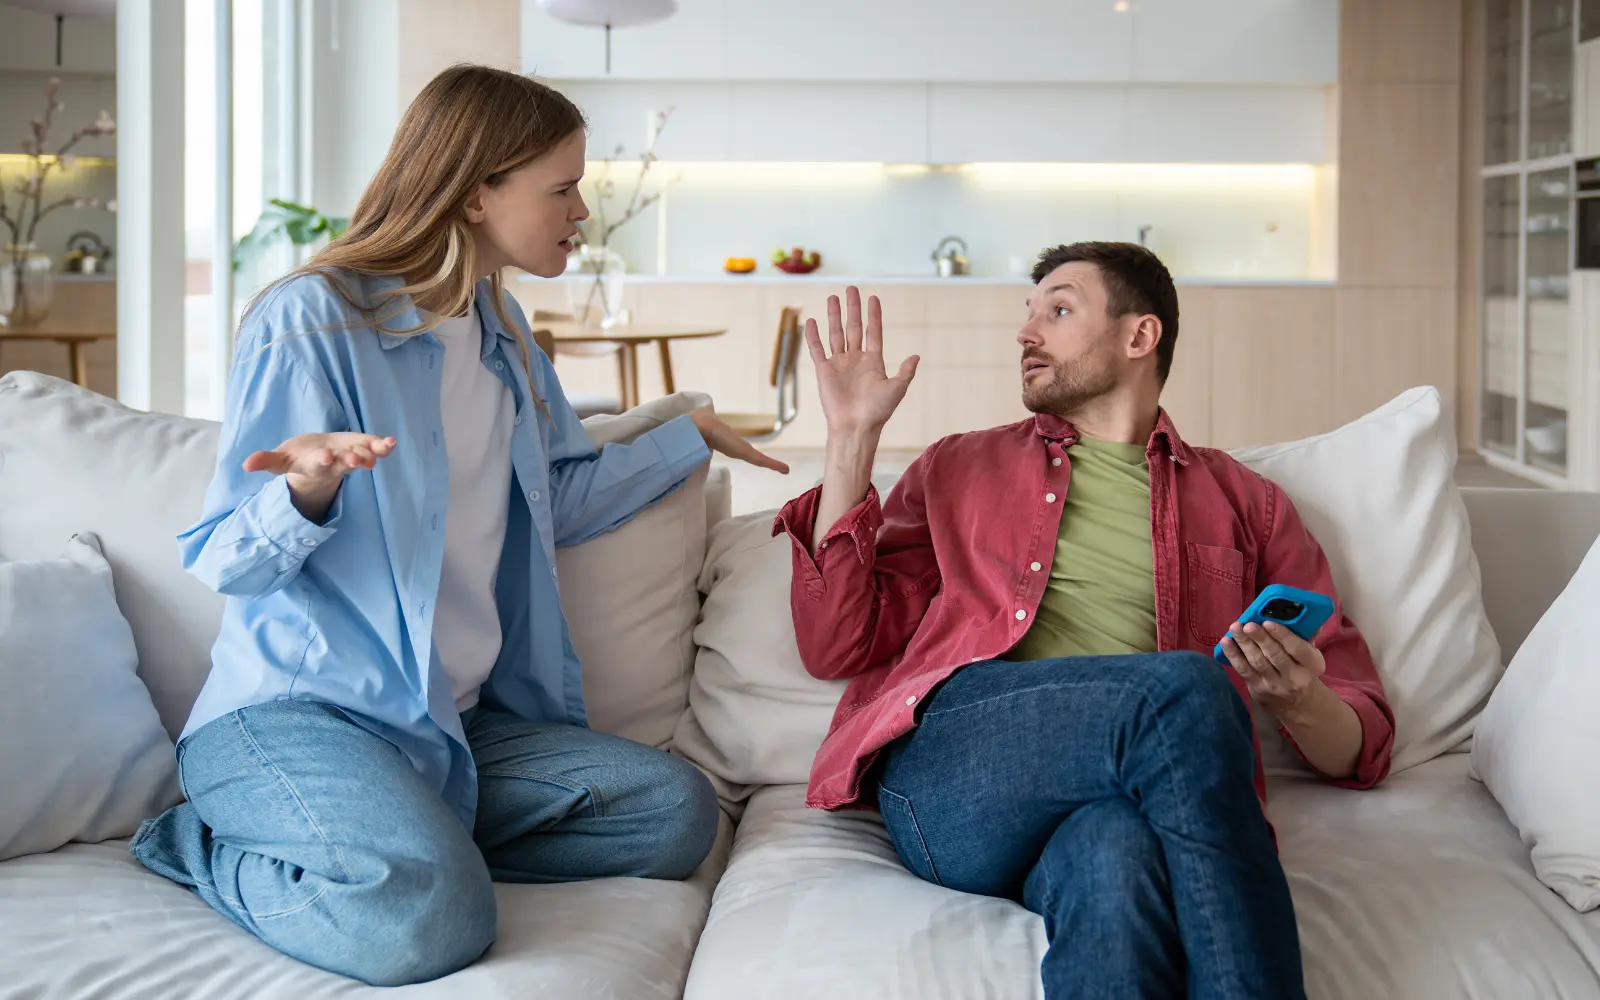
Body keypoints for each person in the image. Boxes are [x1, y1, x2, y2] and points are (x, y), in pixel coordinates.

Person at [130, 65, 787, 986]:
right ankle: (196, 839)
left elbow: (563, 498)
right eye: (562, 189)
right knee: (430, 922)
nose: (583, 211)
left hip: (449, 727)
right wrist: (308, 489)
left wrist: (686, 438)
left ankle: (405, 834)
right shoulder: (314, 321)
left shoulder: (504, 334)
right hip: (301, 715)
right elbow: (228, 562)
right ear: (479, 192)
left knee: (672, 813)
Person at [775, 243, 1394, 1000]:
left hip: (1122, 798)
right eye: (1027, 314)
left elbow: (1362, 746)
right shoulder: (958, 468)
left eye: (1058, 310)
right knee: (1187, 690)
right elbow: (835, 642)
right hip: (957, 774)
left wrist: (1301, 697)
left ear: (1140, 337)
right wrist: (850, 441)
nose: (1026, 333)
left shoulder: (1246, 503)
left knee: (1116, 857)